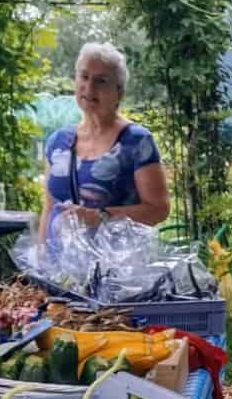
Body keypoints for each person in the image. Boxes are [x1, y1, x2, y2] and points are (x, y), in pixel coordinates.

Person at [38, 42, 169, 249]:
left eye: (101, 81)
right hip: (61, 274)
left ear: (119, 92)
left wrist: (100, 217)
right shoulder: (57, 142)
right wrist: (42, 258)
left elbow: (158, 209)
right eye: (84, 77)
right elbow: (49, 208)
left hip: (117, 271)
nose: (89, 88)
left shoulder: (136, 141)